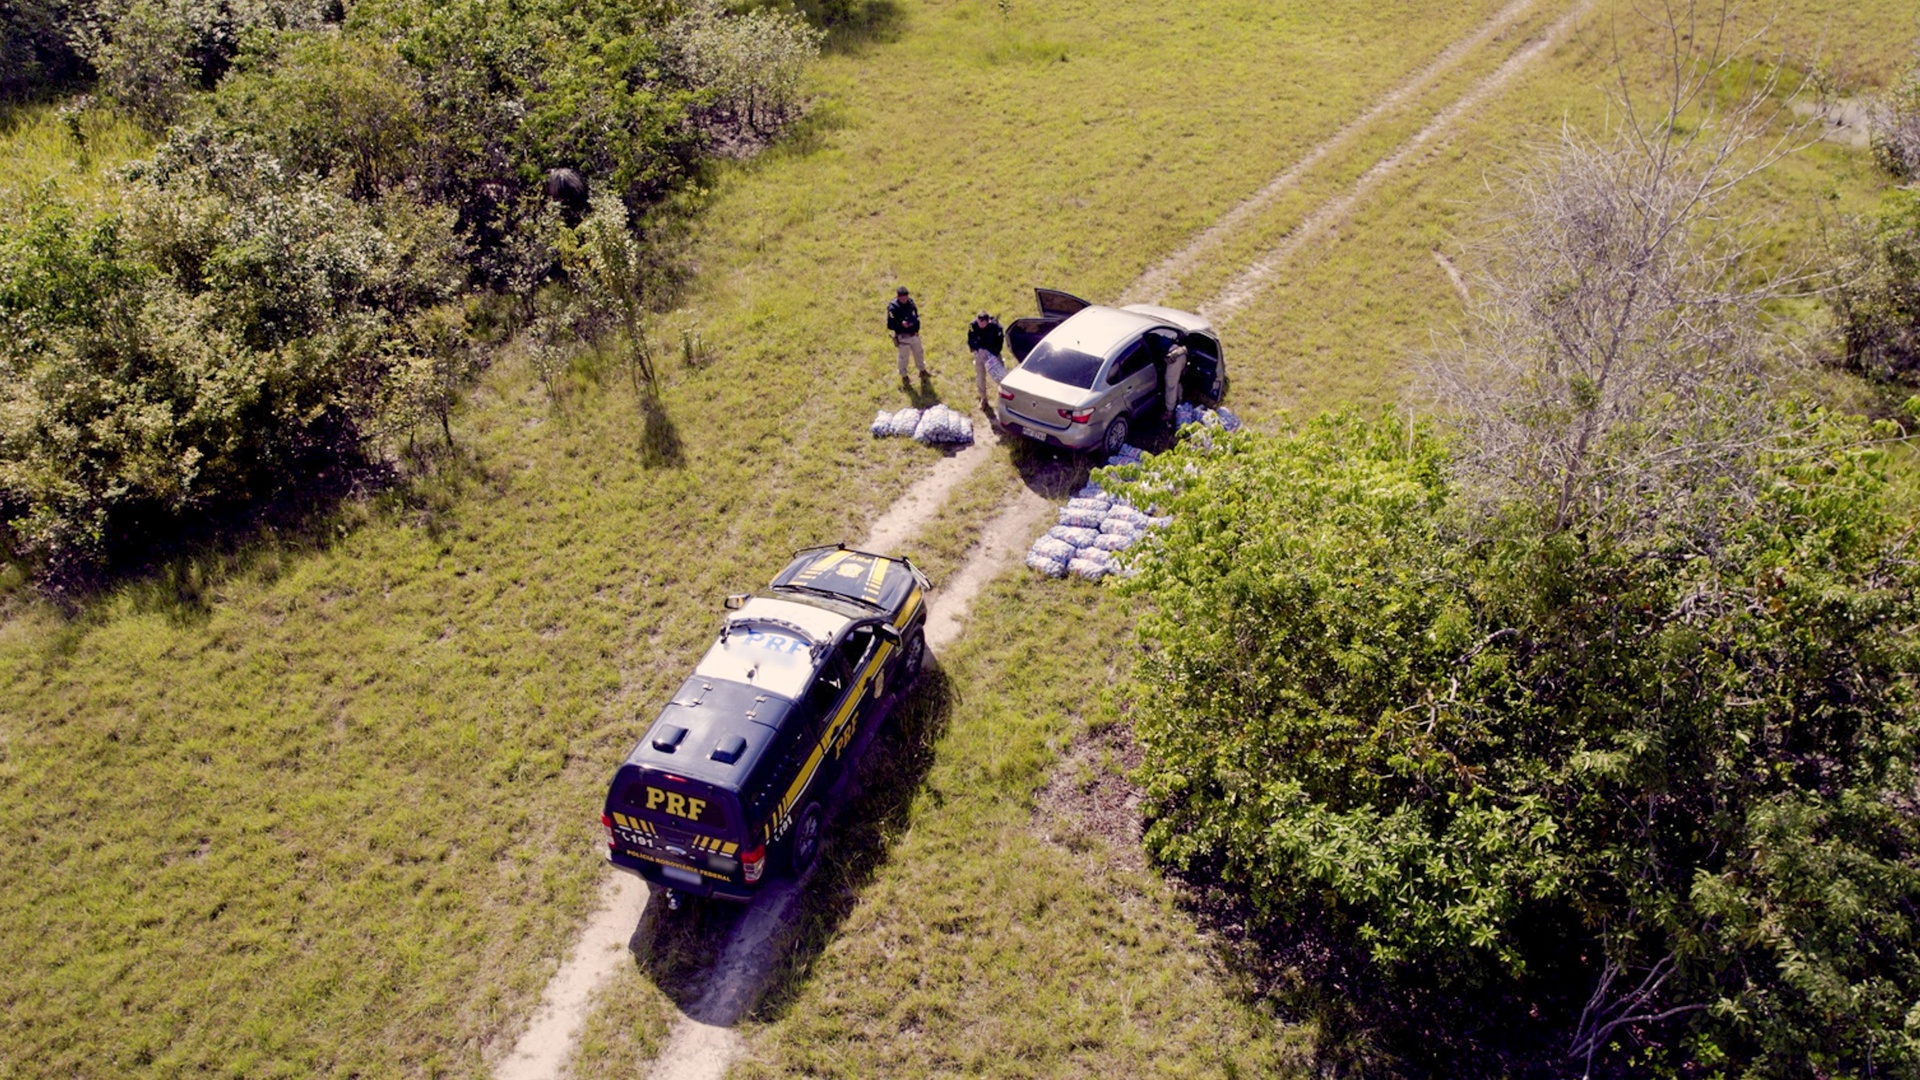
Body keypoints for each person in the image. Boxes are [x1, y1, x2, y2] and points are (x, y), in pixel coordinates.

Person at [886, 286, 927, 384]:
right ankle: (904, 376)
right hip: (903, 336)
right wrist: (901, 323)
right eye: (902, 297)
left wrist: (917, 329)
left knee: (919, 353)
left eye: (906, 297)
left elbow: (916, 317)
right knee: (903, 357)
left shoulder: (911, 303)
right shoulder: (893, 308)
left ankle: (922, 370)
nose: (905, 299)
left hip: (914, 334)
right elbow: (890, 325)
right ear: (898, 297)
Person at [966, 310, 1004, 410]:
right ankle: (983, 399)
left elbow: (999, 344)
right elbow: (970, 341)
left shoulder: (996, 328)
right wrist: (978, 349)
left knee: (1001, 376)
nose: (981, 325)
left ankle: (1004, 397)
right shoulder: (973, 326)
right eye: (979, 323)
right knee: (980, 377)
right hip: (980, 354)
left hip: (993, 353)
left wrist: (989, 352)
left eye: (983, 323)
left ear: (988, 321)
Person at [1163, 340, 1188, 415]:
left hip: (1174, 358)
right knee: (1177, 381)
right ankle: (1180, 402)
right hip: (1180, 353)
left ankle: (1169, 412)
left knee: (1170, 385)